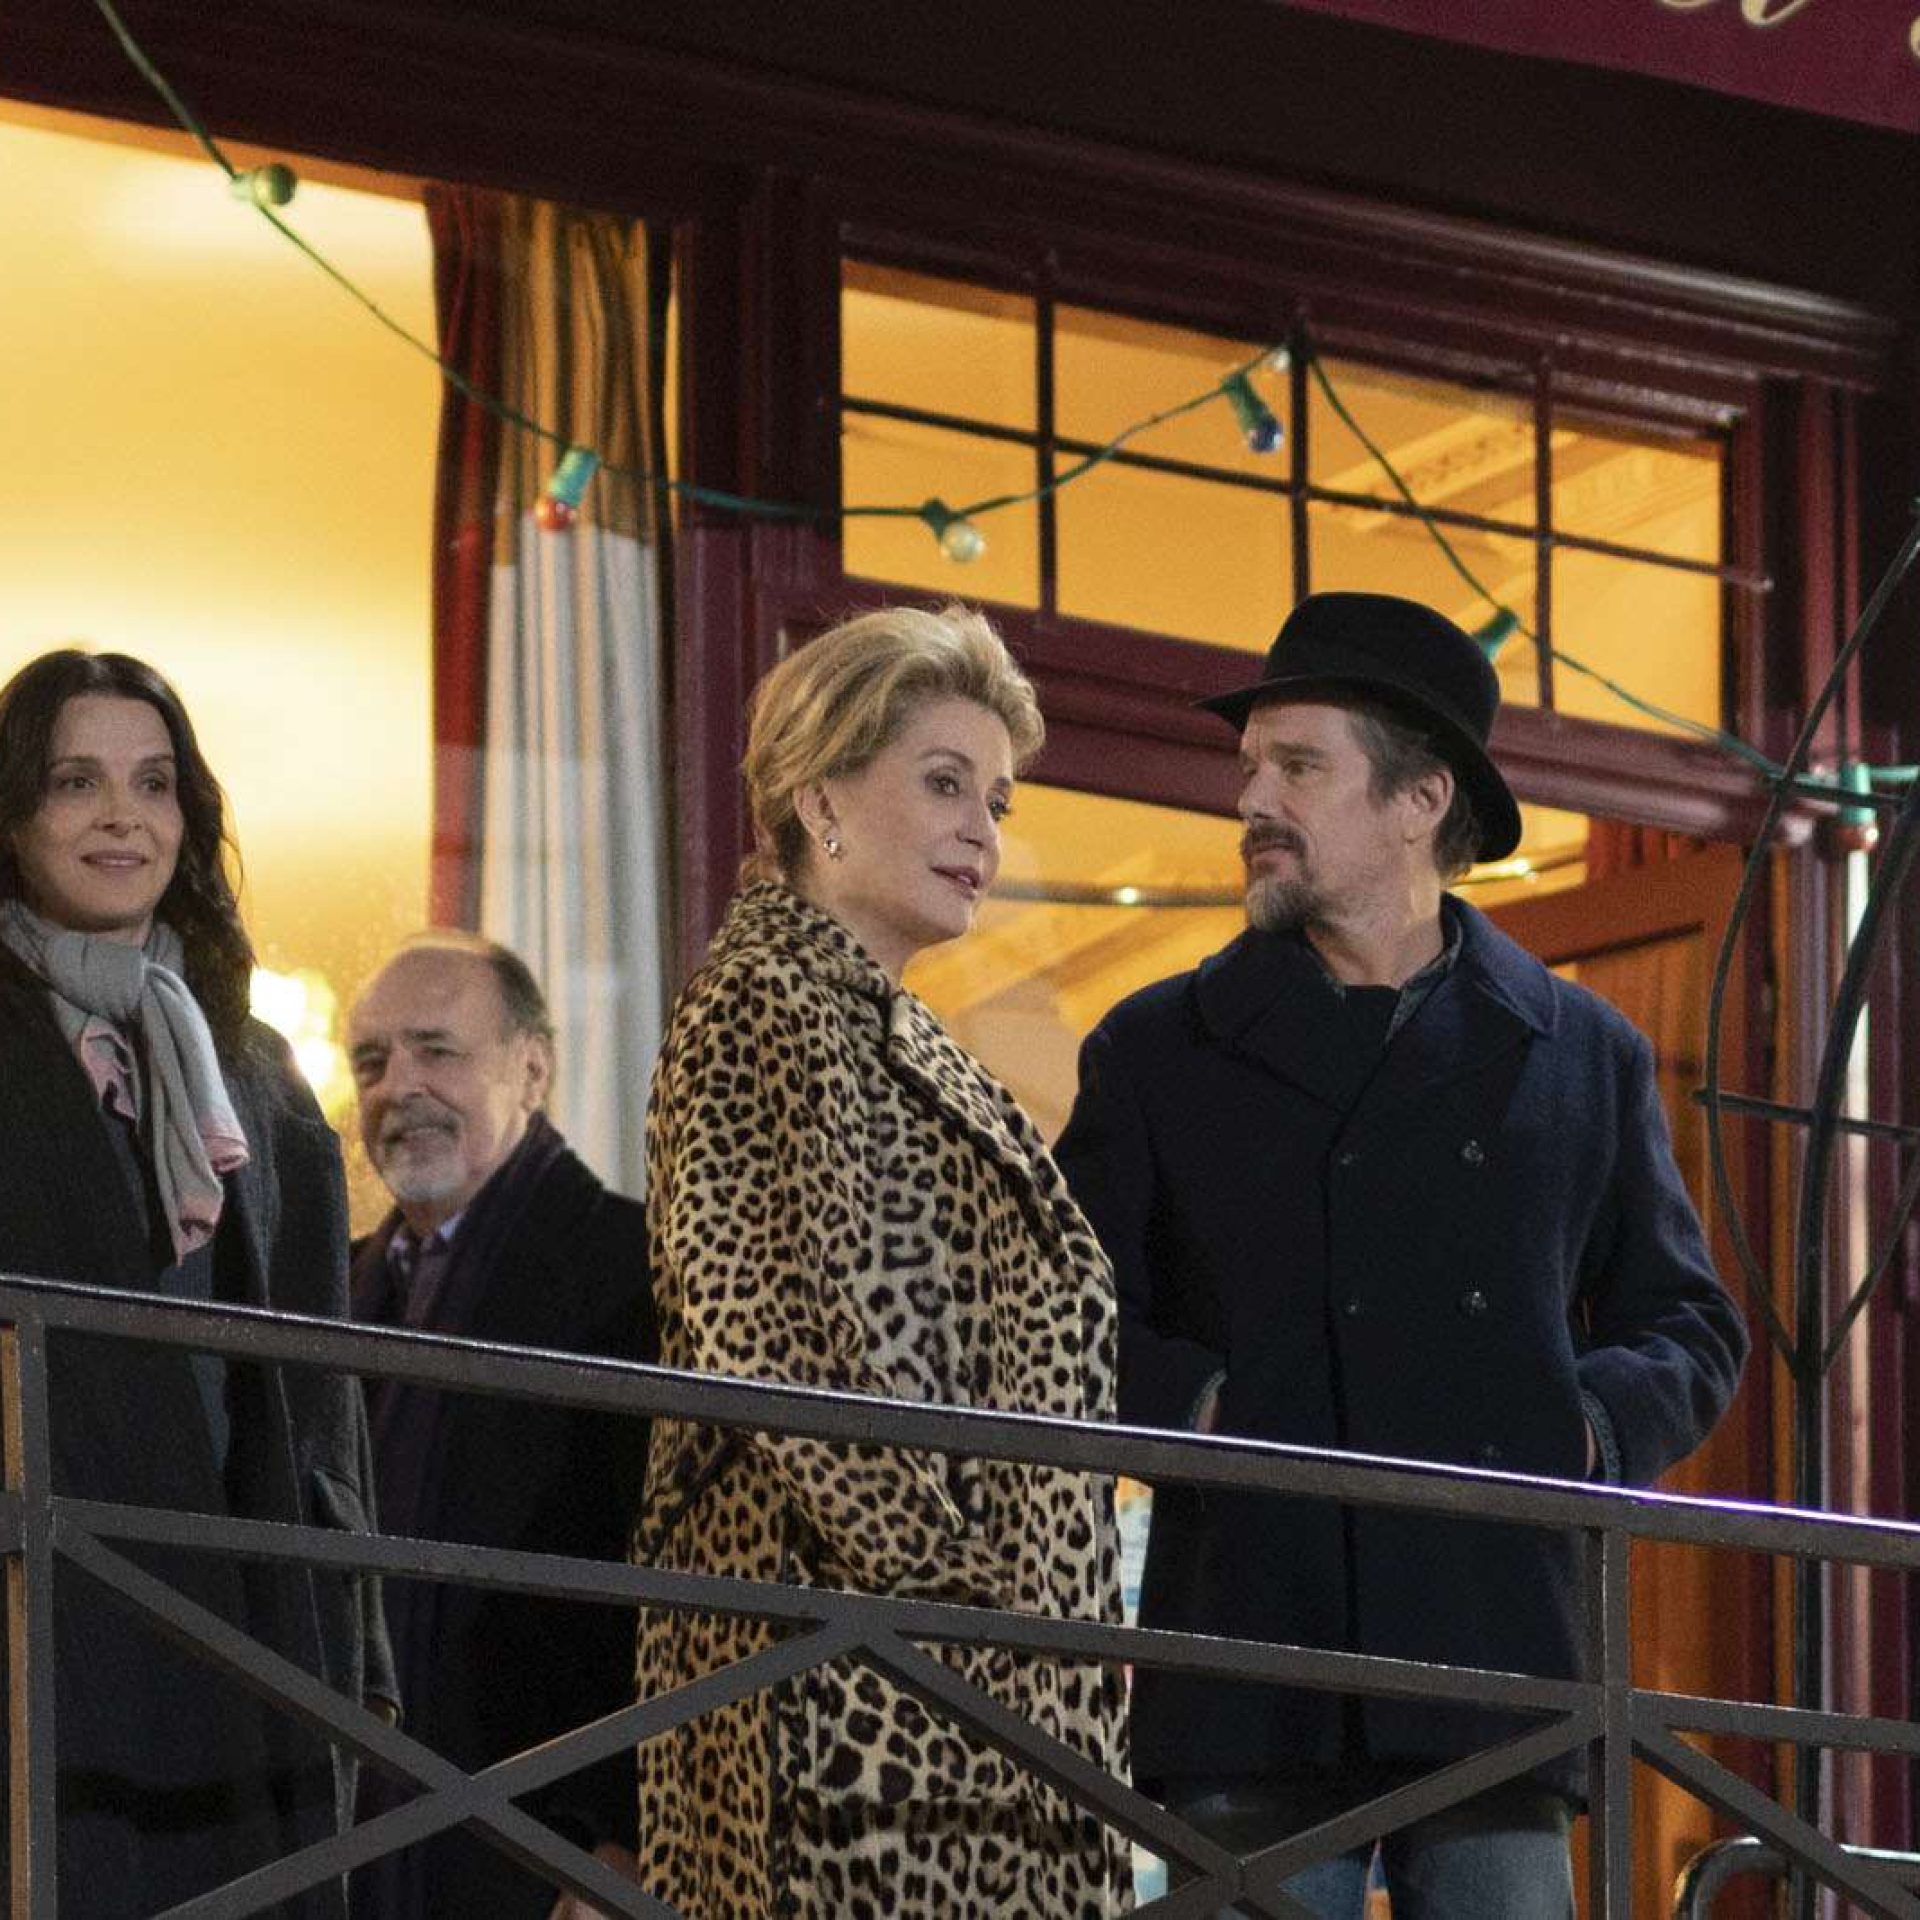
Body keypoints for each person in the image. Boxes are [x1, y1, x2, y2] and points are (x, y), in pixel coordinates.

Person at [1055, 592, 1750, 1918]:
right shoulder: (1157, 1048)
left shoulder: (1581, 1054)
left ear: (1422, 800)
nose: (1252, 799)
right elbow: (1067, 1319)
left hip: (1494, 1659)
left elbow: (1690, 1323)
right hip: (1252, 1658)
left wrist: (1583, 1430)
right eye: (1250, 767)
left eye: (1297, 766)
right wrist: (1209, 1413)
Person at [635, 603, 1133, 1918]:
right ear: (822, 802)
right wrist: (960, 1602)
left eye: (998, 801)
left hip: (964, 1695)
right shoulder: (764, 1002)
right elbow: (767, 1341)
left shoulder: (888, 1028)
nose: (984, 831)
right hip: (857, 1695)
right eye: (945, 783)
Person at [0, 648, 395, 1918]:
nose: (122, 816)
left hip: (244, 1608)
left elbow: (322, 1393)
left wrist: (360, 1649)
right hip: (48, 1616)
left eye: (155, 783)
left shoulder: (260, 1070)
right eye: (76, 781)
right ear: (15, 814)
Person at [344, 932, 652, 1919]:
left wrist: (620, 1842)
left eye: (436, 1050)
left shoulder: (635, 1270)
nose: (399, 1086)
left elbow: (691, 1583)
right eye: (371, 1061)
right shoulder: (327, 1291)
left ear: (533, 1068)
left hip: (546, 1854)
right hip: (346, 1851)